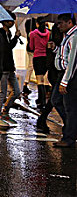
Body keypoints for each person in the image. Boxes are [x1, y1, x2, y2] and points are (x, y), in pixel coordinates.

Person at [52, 14, 77, 148]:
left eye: (61, 23)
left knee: (70, 108)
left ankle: (69, 137)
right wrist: (55, 49)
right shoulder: (67, 36)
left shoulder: (74, 37)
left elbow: (73, 61)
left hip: (69, 76)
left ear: (69, 22)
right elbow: (65, 56)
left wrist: (65, 81)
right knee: (56, 101)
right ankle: (70, 129)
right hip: (62, 74)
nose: (58, 26)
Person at [37, 23, 65, 134]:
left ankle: (42, 120)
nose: (59, 26)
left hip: (58, 70)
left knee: (55, 99)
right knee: (56, 99)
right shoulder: (57, 35)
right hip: (56, 71)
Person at [0, 13, 21, 127]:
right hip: (3, 68)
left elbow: (9, 47)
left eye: (13, 21)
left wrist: (15, 37)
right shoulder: (0, 33)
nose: (12, 23)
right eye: (10, 20)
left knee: (16, 91)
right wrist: (15, 38)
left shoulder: (8, 33)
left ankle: (5, 111)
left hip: (10, 67)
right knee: (2, 93)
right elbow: (5, 49)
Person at [30, 21, 51, 109]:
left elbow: (31, 47)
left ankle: (41, 101)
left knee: (39, 81)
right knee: (43, 79)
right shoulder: (48, 33)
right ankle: (41, 100)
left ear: (37, 23)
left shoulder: (33, 33)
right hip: (45, 58)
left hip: (37, 57)